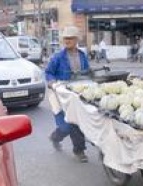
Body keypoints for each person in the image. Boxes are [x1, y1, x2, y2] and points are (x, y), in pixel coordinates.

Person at [45, 26, 89, 163]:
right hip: (60, 94)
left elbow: (87, 72)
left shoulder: (82, 56)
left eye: (70, 38)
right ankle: (55, 137)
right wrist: (52, 82)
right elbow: (48, 72)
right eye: (65, 38)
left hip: (77, 93)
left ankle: (79, 150)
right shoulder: (58, 57)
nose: (67, 40)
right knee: (66, 126)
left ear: (76, 40)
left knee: (76, 122)